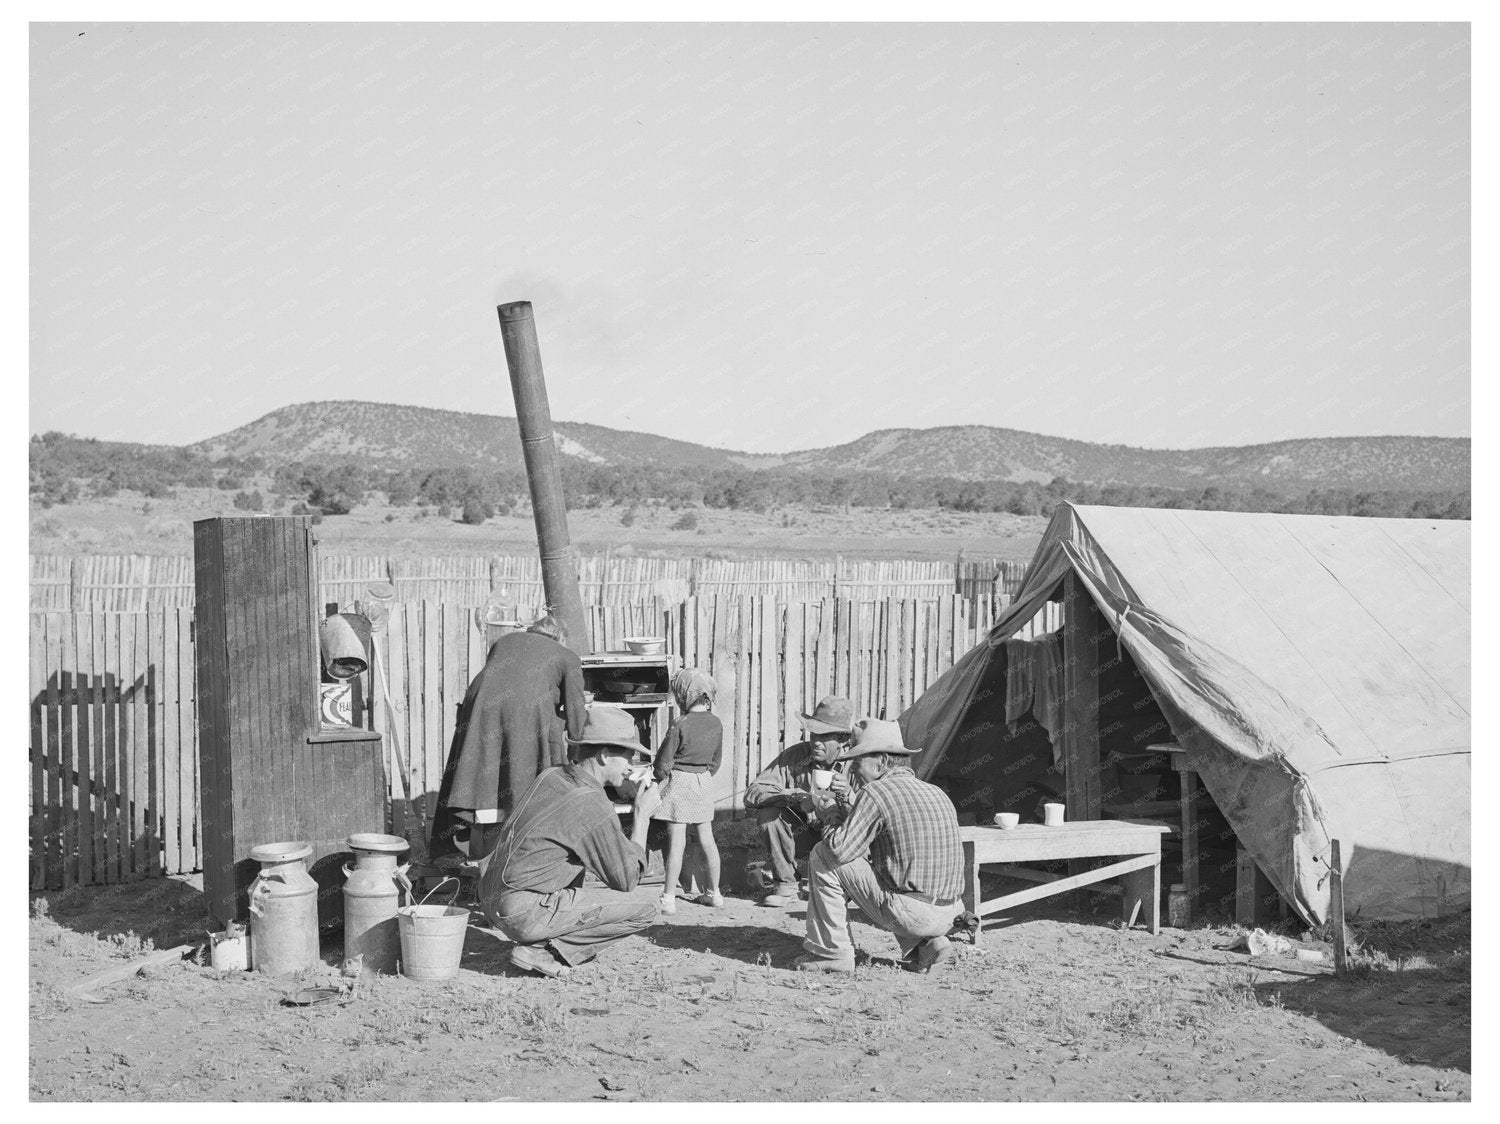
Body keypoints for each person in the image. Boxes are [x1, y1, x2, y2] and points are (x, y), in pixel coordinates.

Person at [478, 706, 663, 978]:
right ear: (603, 755)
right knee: (648, 907)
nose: (630, 768)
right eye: (628, 757)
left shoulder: (551, 776)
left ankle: (538, 940)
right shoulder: (591, 802)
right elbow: (627, 879)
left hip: (492, 900)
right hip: (523, 913)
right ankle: (543, 950)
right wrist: (642, 816)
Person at [792, 718, 964, 975]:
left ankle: (833, 953)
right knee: (891, 872)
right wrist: (846, 803)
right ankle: (930, 943)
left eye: (858, 760)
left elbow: (839, 850)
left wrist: (828, 815)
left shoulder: (876, 793)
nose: (854, 768)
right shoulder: (935, 791)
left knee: (822, 855)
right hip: (952, 912)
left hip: (913, 915)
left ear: (881, 761)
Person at [430, 613, 587, 865]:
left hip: (480, 709)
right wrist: (586, 740)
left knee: (486, 794)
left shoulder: (505, 641)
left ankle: (483, 867)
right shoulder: (567, 656)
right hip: (523, 717)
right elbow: (576, 715)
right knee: (526, 798)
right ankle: (515, 867)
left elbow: (509, 681)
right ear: (560, 638)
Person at [744, 696, 855, 906]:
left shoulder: (856, 764)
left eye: (824, 737)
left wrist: (847, 796)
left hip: (844, 840)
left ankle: (848, 885)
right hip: (804, 836)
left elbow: (874, 814)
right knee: (769, 815)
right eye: (814, 735)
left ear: (843, 740)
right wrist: (793, 797)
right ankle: (786, 886)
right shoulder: (796, 756)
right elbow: (753, 792)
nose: (816, 742)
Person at [652, 668, 725, 913]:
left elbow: (663, 763)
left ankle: (669, 899)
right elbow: (716, 761)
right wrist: (702, 777)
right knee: (708, 841)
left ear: (682, 695)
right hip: (703, 781)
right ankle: (715, 894)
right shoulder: (716, 723)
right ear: (707, 696)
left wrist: (656, 778)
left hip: (679, 782)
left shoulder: (680, 723)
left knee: (676, 844)